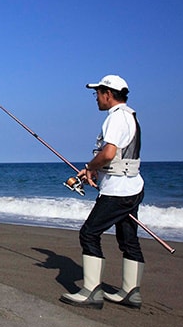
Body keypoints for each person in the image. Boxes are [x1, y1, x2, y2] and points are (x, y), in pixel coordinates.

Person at [60, 74, 145, 310]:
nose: (95, 98)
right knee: (128, 239)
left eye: (97, 93)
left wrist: (88, 168)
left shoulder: (115, 119)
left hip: (117, 190)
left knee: (88, 233)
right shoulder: (131, 117)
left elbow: (108, 154)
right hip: (134, 186)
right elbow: (118, 157)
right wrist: (96, 171)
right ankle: (131, 292)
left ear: (108, 94)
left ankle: (91, 291)